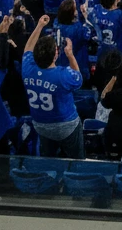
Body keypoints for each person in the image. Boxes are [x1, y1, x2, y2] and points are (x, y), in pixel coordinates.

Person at [21, 13, 85, 158]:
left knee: (48, 160)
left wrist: (39, 26)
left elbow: (28, 49)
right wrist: (70, 55)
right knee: (77, 159)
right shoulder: (62, 75)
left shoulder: (27, 68)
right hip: (65, 125)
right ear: (56, 55)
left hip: (40, 124)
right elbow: (78, 79)